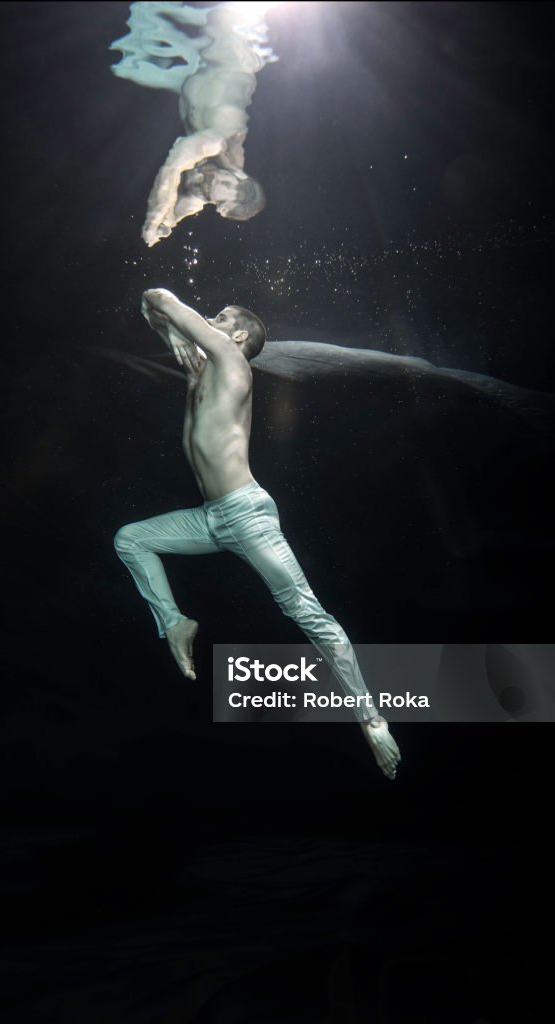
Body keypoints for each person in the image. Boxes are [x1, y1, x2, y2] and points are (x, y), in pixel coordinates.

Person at [113, 287, 402, 781]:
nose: (209, 317)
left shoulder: (230, 361)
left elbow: (163, 296)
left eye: (220, 316)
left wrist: (170, 322)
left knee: (309, 614)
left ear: (238, 335)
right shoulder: (200, 366)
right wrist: (165, 327)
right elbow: (147, 301)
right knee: (130, 539)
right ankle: (175, 623)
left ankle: (371, 720)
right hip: (210, 518)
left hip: (246, 516)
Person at [130, 2, 272, 246]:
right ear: (237, 174)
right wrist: (153, 219)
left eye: (217, 200)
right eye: (224, 183)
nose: (212, 183)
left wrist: (169, 222)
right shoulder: (223, 139)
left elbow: (193, 201)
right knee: (224, 18)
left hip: (192, 67)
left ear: (220, 209)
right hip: (222, 58)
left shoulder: (210, 190)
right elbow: (174, 164)